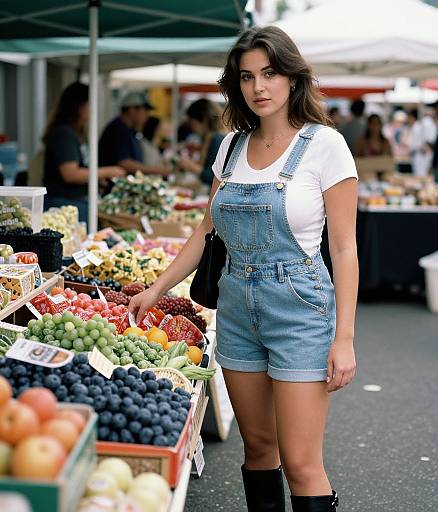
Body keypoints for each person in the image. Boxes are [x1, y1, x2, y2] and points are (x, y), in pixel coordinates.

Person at [129, 25, 358, 511]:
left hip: (300, 309)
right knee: (257, 448)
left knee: (301, 463)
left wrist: (345, 339)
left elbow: (344, 251)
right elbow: (204, 231)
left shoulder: (326, 146)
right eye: (248, 76)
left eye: (271, 74)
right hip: (235, 309)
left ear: (293, 78)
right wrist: (157, 288)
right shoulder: (230, 146)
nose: (259, 87)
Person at [42, 82, 125, 223]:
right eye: (90, 103)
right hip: (65, 204)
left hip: (76, 201)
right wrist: (108, 172)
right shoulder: (64, 134)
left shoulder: (77, 132)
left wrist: (96, 179)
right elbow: (70, 174)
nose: (93, 108)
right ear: (78, 106)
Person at [99, 92, 171, 176]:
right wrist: (158, 170)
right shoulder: (117, 130)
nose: (147, 115)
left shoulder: (130, 130)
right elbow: (124, 163)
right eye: (145, 110)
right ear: (132, 110)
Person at [177, 99, 227, 187]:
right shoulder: (212, 138)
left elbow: (215, 178)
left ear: (204, 121)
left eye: (193, 124)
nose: (193, 129)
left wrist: (191, 166)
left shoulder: (216, 139)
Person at [407, 108, 437, 177]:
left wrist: (425, 147)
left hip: (422, 156)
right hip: (419, 155)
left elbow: (429, 139)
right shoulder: (418, 125)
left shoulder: (426, 122)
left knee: (421, 176)